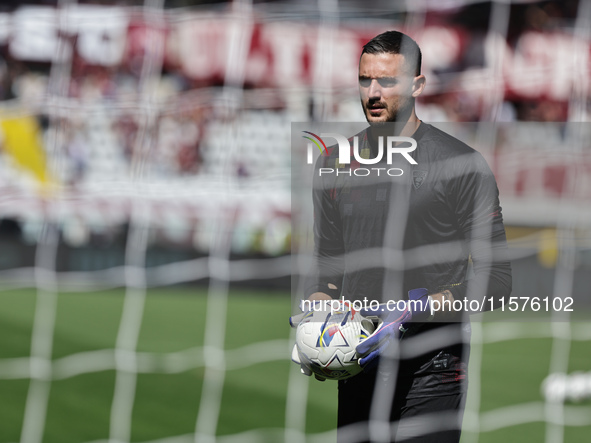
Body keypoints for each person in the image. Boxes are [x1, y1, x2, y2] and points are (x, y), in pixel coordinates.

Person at [295, 30, 512, 442]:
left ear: (417, 85)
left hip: (434, 368)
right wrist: (319, 316)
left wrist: (414, 310)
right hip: (360, 365)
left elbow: (497, 279)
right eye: (365, 80)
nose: (373, 92)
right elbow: (328, 264)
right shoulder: (333, 163)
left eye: (387, 81)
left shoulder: (461, 164)